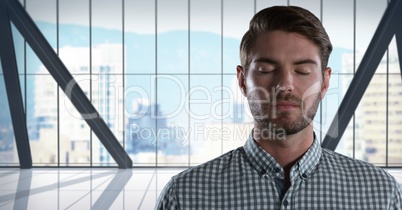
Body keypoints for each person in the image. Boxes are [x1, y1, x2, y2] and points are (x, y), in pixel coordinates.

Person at [156, 5, 402, 209]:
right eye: (266, 70)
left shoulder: (380, 193)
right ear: (242, 81)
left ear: (325, 81)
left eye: (303, 70)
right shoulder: (184, 196)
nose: (285, 84)